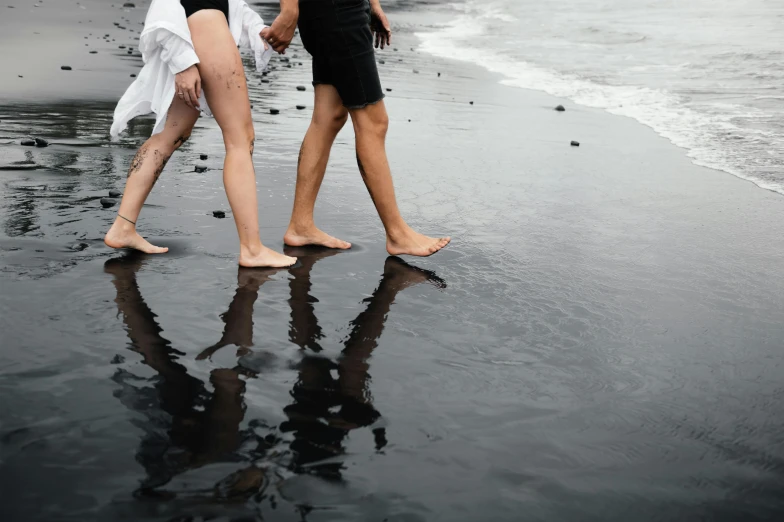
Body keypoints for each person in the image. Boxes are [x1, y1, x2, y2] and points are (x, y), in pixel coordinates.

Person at [105, 0, 296, 268]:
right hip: (206, 28)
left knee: (171, 134)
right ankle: (252, 249)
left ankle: (123, 227)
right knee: (240, 138)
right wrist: (182, 62)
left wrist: (255, 27)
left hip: (199, 25)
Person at [262, 0, 451, 256]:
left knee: (329, 116)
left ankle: (301, 225)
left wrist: (373, 5)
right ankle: (398, 234)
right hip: (338, 11)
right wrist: (289, 10)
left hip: (335, 12)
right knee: (374, 122)